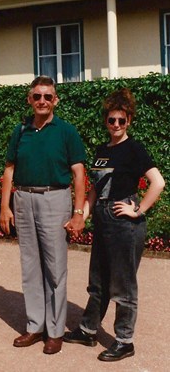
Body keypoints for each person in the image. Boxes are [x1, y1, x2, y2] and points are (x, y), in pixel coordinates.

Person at [63, 88, 165, 361]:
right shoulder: (101, 150)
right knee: (98, 281)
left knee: (123, 285)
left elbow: (158, 182)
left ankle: (124, 340)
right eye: (112, 120)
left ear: (129, 120)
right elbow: (95, 191)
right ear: (106, 121)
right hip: (102, 220)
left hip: (124, 224)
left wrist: (139, 209)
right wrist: (81, 216)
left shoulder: (135, 149)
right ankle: (87, 330)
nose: (116, 125)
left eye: (122, 120)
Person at [0, 75, 86, 355]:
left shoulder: (66, 131)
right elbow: (9, 170)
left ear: (55, 100)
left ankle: (55, 331)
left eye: (47, 96)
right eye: (37, 96)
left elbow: (79, 174)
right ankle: (35, 326)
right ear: (29, 99)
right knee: (31, 267)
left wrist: (78, 213)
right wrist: (5, 206)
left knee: (55, 268)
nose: (42, 101)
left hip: (54, 198)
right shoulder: (20, 130)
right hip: (23, 199)